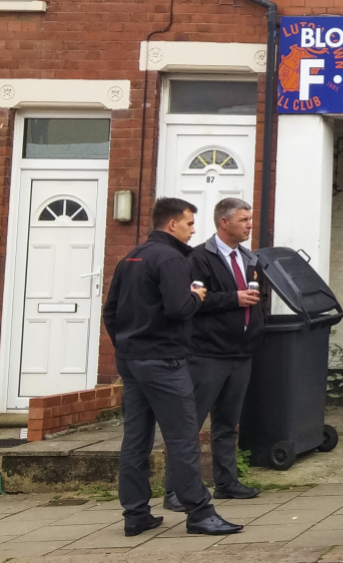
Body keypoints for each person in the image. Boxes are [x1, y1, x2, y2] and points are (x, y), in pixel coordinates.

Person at [103, 198, 242, 538]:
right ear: (172, 225)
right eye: (190, 223)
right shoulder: (172, 258)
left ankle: (135, 514)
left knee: (136, 439)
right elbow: (179, 308)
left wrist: (126, 347)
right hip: (164, 361)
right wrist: (198, 294)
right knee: (183, 438)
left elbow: (110, 311)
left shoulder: (131, 258)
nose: (193, 230)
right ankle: (199, 512)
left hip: (132, 361)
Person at [162, 198, 264, 514]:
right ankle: (175, 491)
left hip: (241, 351)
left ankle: (227, 482)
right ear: (225, 222)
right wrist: (233, 299)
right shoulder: (199, 258)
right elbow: (195, 301)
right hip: (207, 353)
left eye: (250, 219)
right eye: (244, 219)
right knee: (190, 423)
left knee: (227, 423)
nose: (249, 224)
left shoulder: (249, 258)